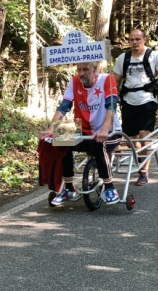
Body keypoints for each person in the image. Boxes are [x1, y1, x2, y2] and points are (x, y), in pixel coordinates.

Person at [39, 61, 122, 206]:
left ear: (94, 68)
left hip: (110, 132)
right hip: (85, 133)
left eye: (85, 69)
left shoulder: (107, 79)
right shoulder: (74, 81)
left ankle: (109, 187)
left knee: (99, 144)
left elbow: (112, 105)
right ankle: (69, 188)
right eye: (79, 70)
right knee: (63, 144)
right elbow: (64, 106)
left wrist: (104, 129)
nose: (81, 73)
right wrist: (51, 128)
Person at [112, 29, 158, 186]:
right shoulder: (123, 58)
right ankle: (142, 159)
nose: (135, 42)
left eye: (138, 39)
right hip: (128, 101)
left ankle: (143, 172)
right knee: (131, 139)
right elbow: (115, 81)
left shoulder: (154, 56)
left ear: (144, 40)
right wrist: (110, 100)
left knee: (144, 135)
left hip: (147, 100)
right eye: (132, 39)